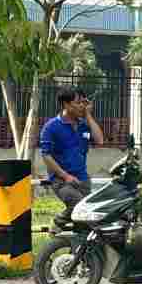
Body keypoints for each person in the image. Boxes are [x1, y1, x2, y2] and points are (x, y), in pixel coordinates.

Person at [40, 89, 104, 226]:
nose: (82, 106)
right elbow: (46, 156)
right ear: (66, 105)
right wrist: (65, 176)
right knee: (79, 207)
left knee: (90, 216)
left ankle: (77, 242)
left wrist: (88, 115)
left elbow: (99, 140)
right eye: (78, 103)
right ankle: (59, 221)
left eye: (84, 103)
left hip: (82, 178)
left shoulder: (84, 125)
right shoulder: (51, 127)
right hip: (62, 181)